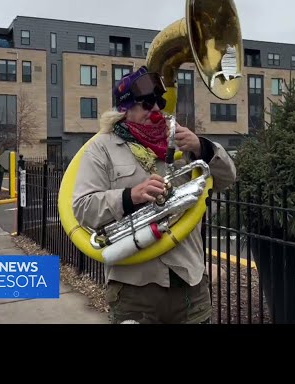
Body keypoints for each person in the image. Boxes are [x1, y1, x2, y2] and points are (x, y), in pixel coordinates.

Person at [72, 66, 236, 324]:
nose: (157, 109)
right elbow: (82, 208)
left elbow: (228, 179)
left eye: (159, 102)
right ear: (126, 109)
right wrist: (130, 196)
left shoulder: (182, 142)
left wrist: (202, 147)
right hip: (134, 290)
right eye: (147, 103)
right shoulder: (101, 148)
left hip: (189, 285)